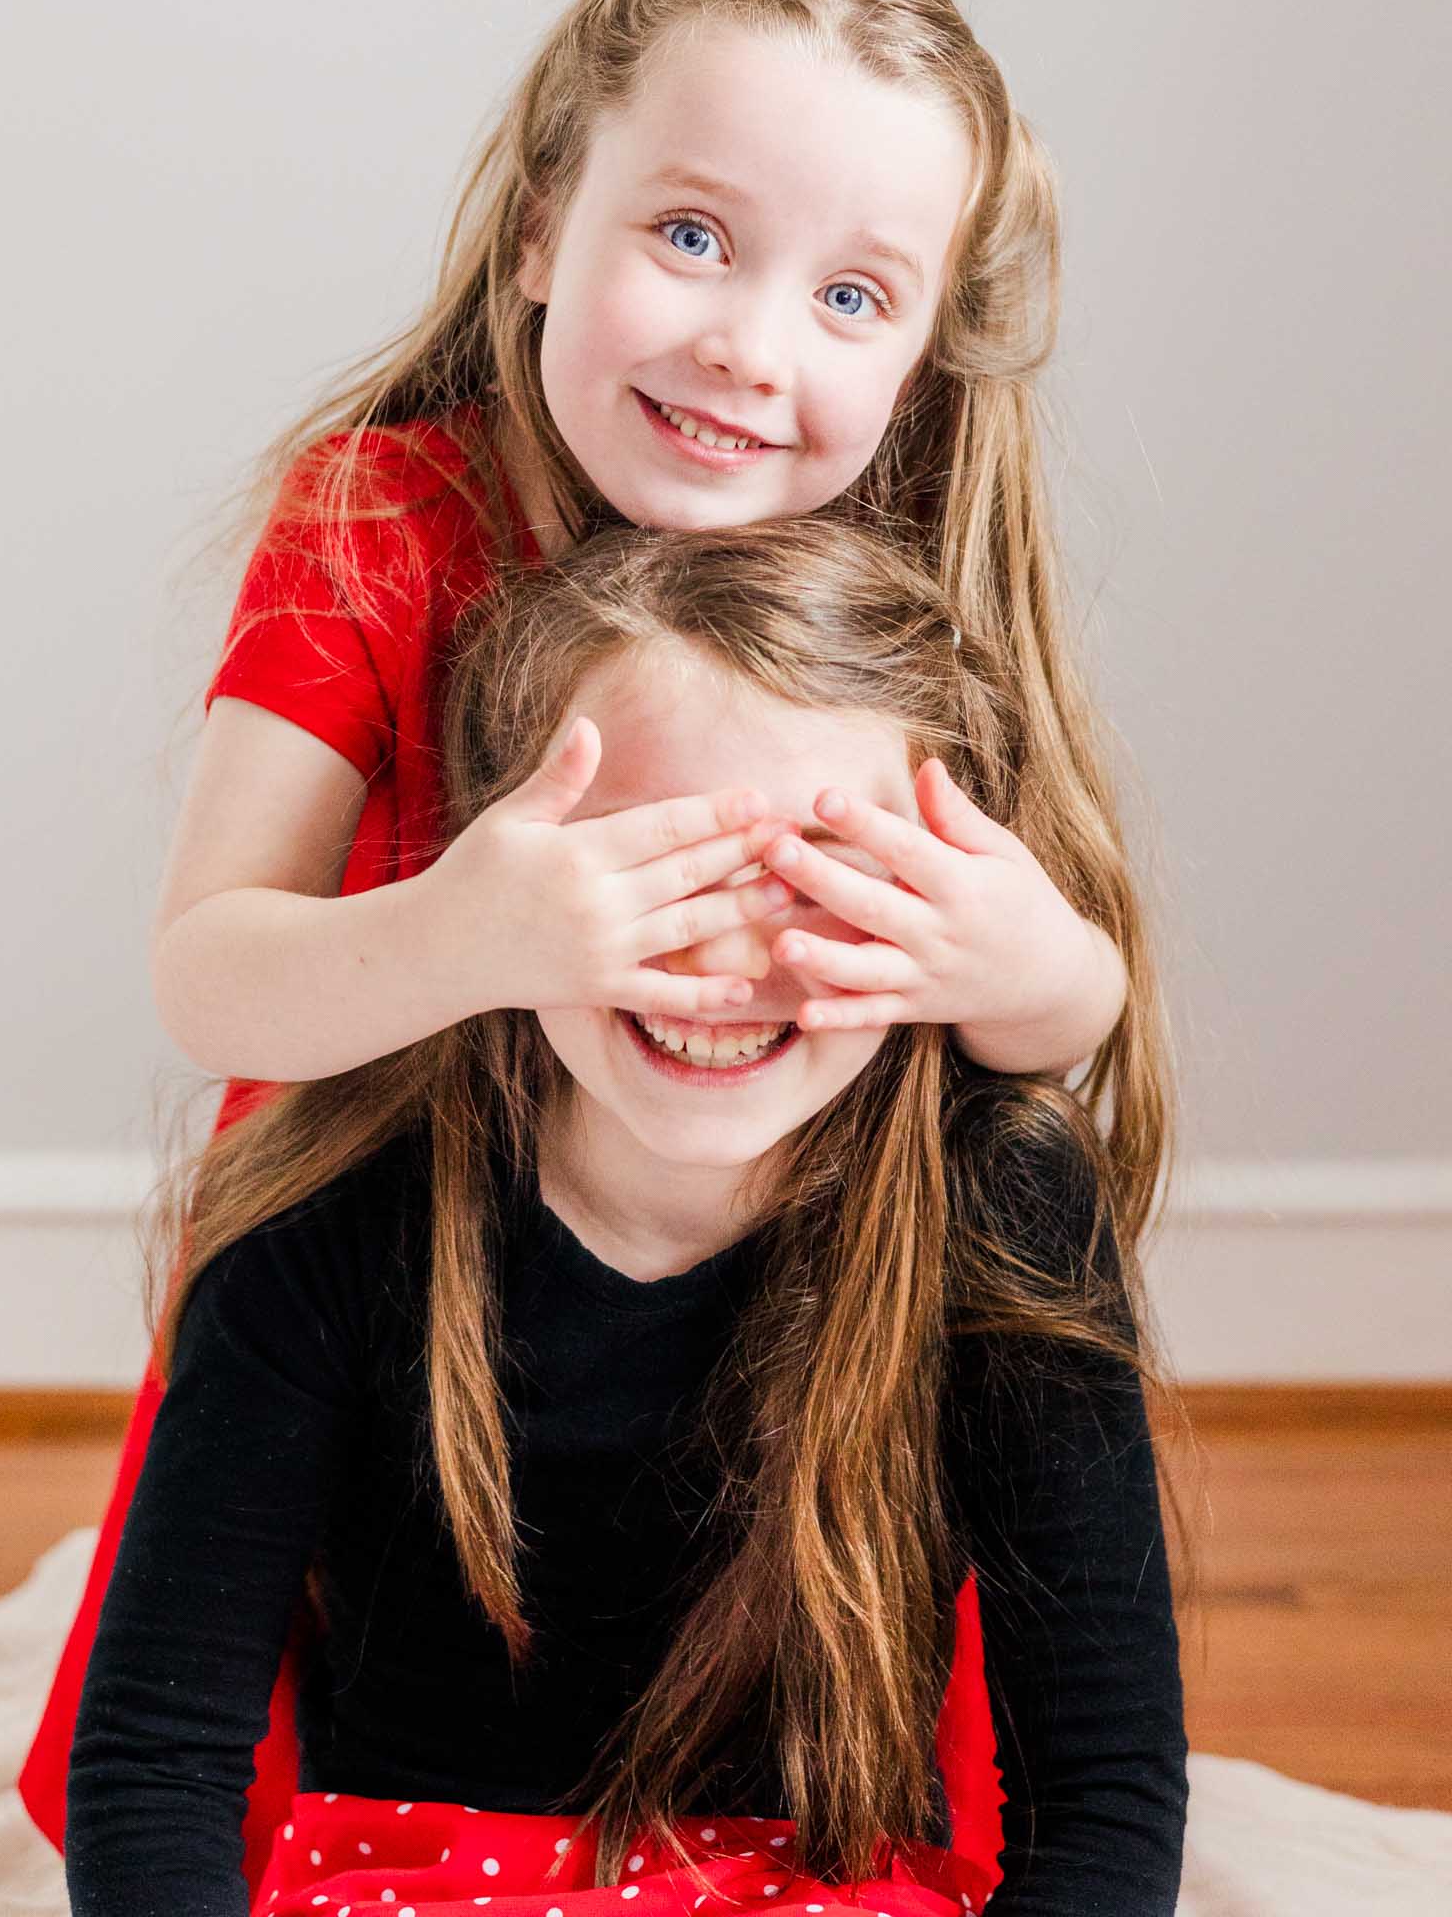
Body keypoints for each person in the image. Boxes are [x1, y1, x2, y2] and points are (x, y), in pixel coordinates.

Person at [21, 0, 1174, 1888]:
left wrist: (1025, 966)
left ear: (916, 357)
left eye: (848, 295)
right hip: (404, 1206)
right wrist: (472, 939)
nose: (746, 345)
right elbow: (213, 973)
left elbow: (1051, 1031)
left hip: (784, 1255)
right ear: (543, 226)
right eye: (693, 238)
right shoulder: (381, 520)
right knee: (272, 1663)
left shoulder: (878, 586)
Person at [63, 516, 1190, 1917]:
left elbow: (1105, 1800)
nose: (722, 959)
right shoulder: (334, 1219)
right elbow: (153, 1771)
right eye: (653, 875)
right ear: (499, 871)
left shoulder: (1000, 1206)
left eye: (815, 884)